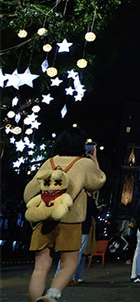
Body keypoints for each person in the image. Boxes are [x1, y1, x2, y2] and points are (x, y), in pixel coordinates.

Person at [24, 127, 106, 302]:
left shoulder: (49, 162)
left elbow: (29, 192)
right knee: (69, 264)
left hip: (43, 219)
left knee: (40, 267)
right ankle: (52, 295)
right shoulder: (84, 164)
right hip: (70, 220)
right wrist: (94, 159)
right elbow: (98, 182)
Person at [54, 192, 97, 286]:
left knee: (65, 251)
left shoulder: (71, 196)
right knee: (78, 253)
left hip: (69, 226)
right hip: (83, 228)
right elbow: (93, 212)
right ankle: (70, 277)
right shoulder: (88, 200)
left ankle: (59, 275)